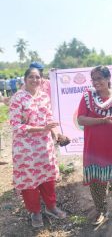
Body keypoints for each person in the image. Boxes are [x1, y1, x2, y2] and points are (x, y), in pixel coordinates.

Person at [9, 67, 66, 228]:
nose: (35, 80)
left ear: (42, 79)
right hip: (25, 148)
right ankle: (35, 212)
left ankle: (51, 207)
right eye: (31, 77)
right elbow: (15, 125)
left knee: (48, 178)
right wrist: (41, 128)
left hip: (44, 146)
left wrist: (57, 134)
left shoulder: (44, 97)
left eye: (38, 77)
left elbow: (49, 118)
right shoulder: (17, 98)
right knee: (29, 182)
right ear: (25, 79)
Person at [77, 65, 112, 226]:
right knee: (96, 182)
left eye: (100, 78)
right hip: (94, 147)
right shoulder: (88, 96)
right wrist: (102, 120)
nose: (96, 82)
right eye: (94, 79)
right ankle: (101, 210)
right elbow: (81, 119)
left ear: (108, 78)